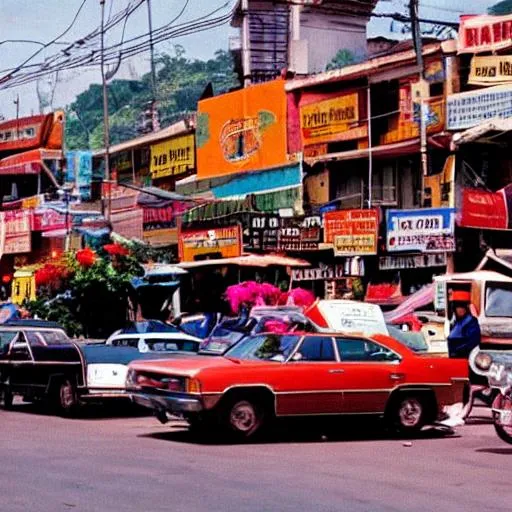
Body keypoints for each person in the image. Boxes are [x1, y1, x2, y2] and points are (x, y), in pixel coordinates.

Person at [447, 290, 481, 359]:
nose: (460, 309)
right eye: (458, 306)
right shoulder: (456, 322)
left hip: (464, 359)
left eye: (463, 306)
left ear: (466, 308)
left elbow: (473, 343)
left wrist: (457, 351)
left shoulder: (471, 322)